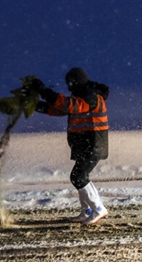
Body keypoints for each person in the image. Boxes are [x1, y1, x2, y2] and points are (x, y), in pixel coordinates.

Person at [33, 68, 110, 225]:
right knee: (81, 176)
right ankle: (87, 211)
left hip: (92, 144)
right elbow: (59, 110)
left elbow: (67, 105)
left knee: (78, 177)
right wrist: (34, 105)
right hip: (85, 145)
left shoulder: (90, 96)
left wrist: (43, 91)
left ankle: (98, 209)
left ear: (76, 82)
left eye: (70, 83)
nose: (68, 87)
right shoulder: (83, 96)